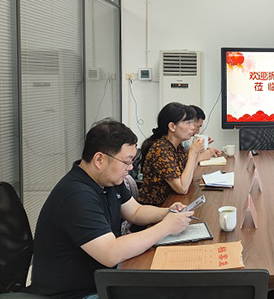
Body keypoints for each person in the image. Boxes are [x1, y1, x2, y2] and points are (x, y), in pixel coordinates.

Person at [27, 119, 194, 299]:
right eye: (126, 162)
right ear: (99, 159)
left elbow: (135, 211)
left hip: (103, 278)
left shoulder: (107, 180)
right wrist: (166, 227)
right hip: (76, 293)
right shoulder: (76, 195)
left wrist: (167, 212)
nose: (130, 168)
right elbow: (111, 253)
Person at [138, 102, 205, 206]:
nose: (192, 127)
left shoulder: (177, 146)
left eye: (192, 123)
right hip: (157, 207)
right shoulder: (161, 150)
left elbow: (188, 176)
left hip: (172, 202)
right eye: (188, 123)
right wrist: (192, 153)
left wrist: (196, 153)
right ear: (172, 126)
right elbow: (182, 188)